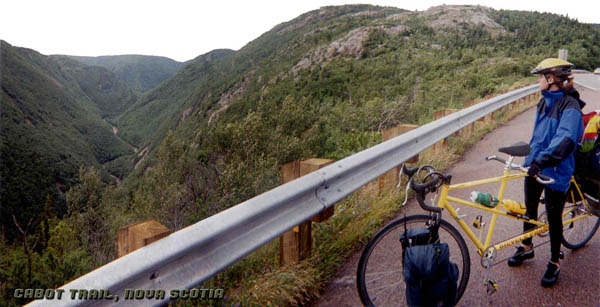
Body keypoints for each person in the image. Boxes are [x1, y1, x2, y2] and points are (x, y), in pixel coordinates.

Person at [507, 58, 585, 287]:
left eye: (541, 77)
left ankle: (554, 260)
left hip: (556, 169)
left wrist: (542, 161)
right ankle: (527, 246)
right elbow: (539, 136)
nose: (538, 81)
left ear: (551, 79)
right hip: (536, 164)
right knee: (529, 208)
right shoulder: (544, 102)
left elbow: (565, 140)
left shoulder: (570, 106)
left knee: (553, 216)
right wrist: (531, 160)